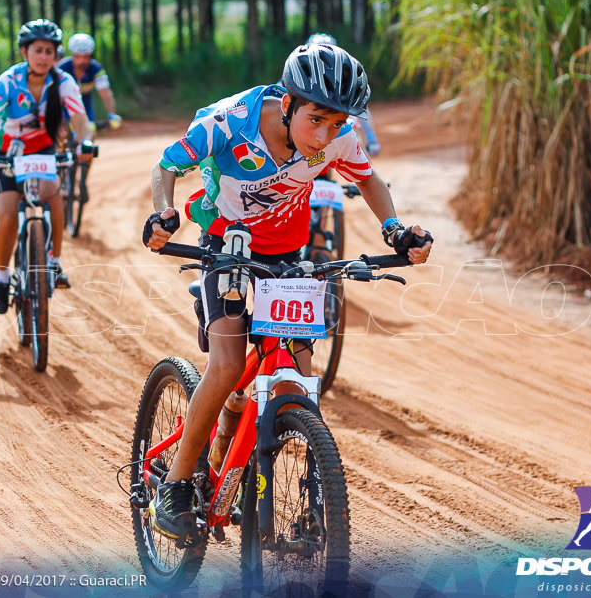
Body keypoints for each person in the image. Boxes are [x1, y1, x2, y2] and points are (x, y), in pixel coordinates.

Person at [141, 43, 433, 540]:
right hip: (226, 243)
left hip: (288, 253)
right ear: (289, 102)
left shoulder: (338, 136)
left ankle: (313, 505)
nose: (325, 136)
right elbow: (165, 166)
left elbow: (370, 180)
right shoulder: (231, 120)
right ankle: (175, 483)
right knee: (229, 364)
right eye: (316, 119)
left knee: (297, 378)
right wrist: (164, 212)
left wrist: (395, 229)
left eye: (336, 124)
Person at [0, 18, 92, 311]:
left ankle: (55, 263)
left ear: (56, 55)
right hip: (6, 154)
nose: (43, 57)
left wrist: (84, 142)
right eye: (37, 50)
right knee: (9, 215)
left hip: (43, 152)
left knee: (54, 196)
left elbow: (80, 121)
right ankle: (1, 279)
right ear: (25, 51)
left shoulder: (63, 81)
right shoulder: (8, 81)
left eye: (49, 51)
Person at [306, 32, 381, 156]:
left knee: (352, 129)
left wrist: (371, 139)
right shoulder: (297, 76)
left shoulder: (348, 78)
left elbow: (361, 109)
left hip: (343, 129)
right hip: (312, 132)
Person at [57, 32, 121, 143]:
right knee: (62, 136)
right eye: (78, 57)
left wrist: (111, 114)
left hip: (85, 108)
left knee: (89, 139)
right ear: (72, 55)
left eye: (85, 57)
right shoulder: (61, 68)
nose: (82, 61)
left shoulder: (95, 69)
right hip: (64, 108)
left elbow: (106, 94)